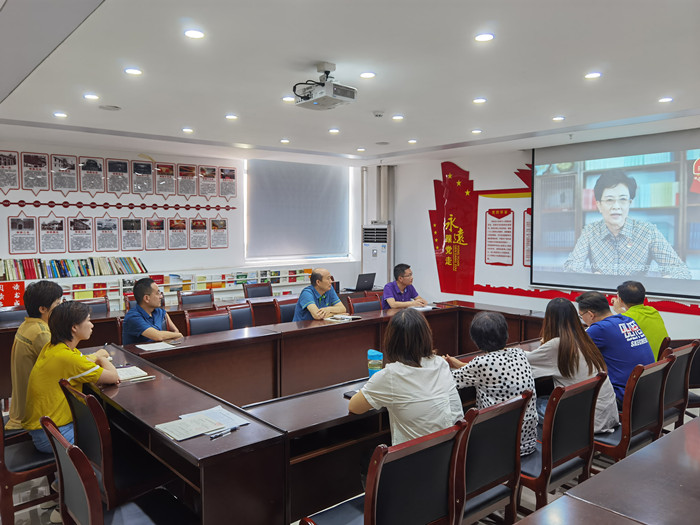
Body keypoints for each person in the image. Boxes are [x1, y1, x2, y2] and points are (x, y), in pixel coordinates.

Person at [348, 309, 463, 445]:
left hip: (413, 456)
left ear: (391, 341)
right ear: (426, 336)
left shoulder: (390, 375)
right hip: (449, 451)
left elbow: (354, 407)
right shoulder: (441, 363)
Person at [22, 301, 120, 453]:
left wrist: (96, 355)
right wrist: (102, 359)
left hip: (45, 428)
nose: (92, 325)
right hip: (52, 435)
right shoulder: (66, 358)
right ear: (74, 327)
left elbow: (82, 361)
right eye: (88, 320)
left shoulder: (54, 347)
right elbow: (113, 377)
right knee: (114, 438)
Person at [563, 170, 690, 279]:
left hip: (635, 298)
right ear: (599, 205)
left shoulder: (648, 231)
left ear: (629, 203)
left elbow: (682, 272)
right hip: (602, 297)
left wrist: (662, 282)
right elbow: (571, 268)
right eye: (609, 200)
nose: (616, 206)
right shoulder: (590, 231)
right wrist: (592, 278)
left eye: (623, 199)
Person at [444, 311, 538, 455]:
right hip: (527, 442)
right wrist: (457, 363)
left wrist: (441, 364)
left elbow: (449, 380)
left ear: (476, 340)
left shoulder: (481, 364)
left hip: (498, 448)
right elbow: (489, 370)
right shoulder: (519, 354)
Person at [526, 297, 619, 433]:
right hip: (607, 416)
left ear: (550, 320)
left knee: (534, 404)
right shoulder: (585, 338)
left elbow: (523, 361)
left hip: (588, 422)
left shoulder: (558, 345)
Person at [575, 291, 654, 406]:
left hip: (624, 396)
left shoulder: (599, 329)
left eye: (581, 316)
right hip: (647, 391)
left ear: (591, 314)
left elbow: (571, 350)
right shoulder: (628, 320)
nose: (582, 319)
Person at [6, 281, 64, 430]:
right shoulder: (41, 333)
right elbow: (63, 364)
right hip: (33, 414)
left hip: (20, 407)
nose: (62, 307)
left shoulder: (28, 325)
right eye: (58, 304)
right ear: (43, 309)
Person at [612, 280, 669, 360]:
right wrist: (619, 310)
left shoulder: (625, 320)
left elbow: (629, 318)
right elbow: (632, 317)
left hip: (645, 364)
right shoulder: (653, 311)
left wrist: (618, 309)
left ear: (620, 300)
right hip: (660, 363)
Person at [122, 278, 181, 344]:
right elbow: (158, 336)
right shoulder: (132, 317)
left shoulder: (159, 312)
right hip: (138, 351)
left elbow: (176, 331)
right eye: (157, 293)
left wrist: (177, 335)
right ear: (147, 298)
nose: (161, 296)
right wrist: (178, 335)